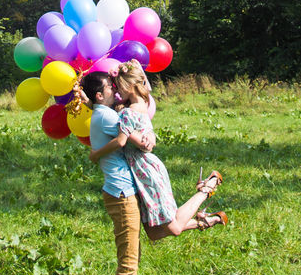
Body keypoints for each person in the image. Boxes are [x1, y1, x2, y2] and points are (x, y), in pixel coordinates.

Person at [92, 60, 227, 242]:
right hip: (143, 170)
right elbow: (142, 85)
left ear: (129, 86)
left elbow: (125, 140)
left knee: (175, 227)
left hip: (145, 170)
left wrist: (96, 153)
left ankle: (207, 187)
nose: (116, 92)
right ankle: (204, 221)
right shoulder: (144, 103)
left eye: (118, 87)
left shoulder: (126, 113)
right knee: (154, 233)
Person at [79, 69, 156, 275]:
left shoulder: (102, 112)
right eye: (110, 88)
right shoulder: (109, 116)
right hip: (121, 193)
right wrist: (145, 140)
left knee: (132, 257)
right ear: (100, 95)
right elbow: (138, 143)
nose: (115, 90)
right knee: (128, 261)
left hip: (121, 191)